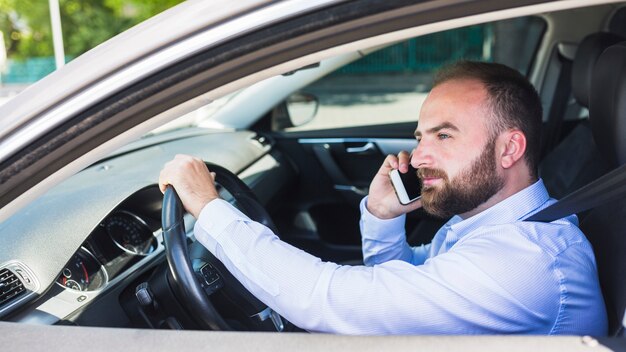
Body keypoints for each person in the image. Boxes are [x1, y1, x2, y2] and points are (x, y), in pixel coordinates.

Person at [159, 61, 607, 335]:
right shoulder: (491, 222)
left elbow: (327, 299)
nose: (419, 154)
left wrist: (208, 206)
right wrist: (382, 214)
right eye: (420, 136)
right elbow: (402, 284)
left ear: (509, 148)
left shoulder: (522, 264)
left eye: (444, 135)